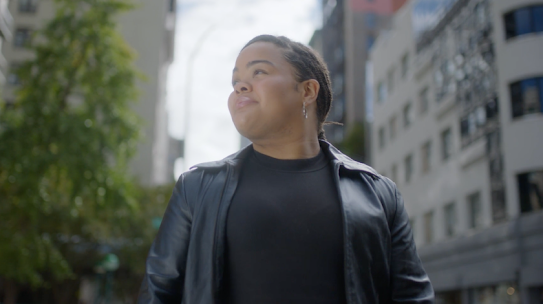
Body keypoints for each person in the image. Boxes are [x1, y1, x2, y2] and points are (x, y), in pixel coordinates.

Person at [138, 35, 434, 304]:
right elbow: (158, 293)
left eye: (259, 72)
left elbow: (413, 298)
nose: (241, 86)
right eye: (236, 81)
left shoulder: (378, 194)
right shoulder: (197, 188)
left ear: (307, 90)